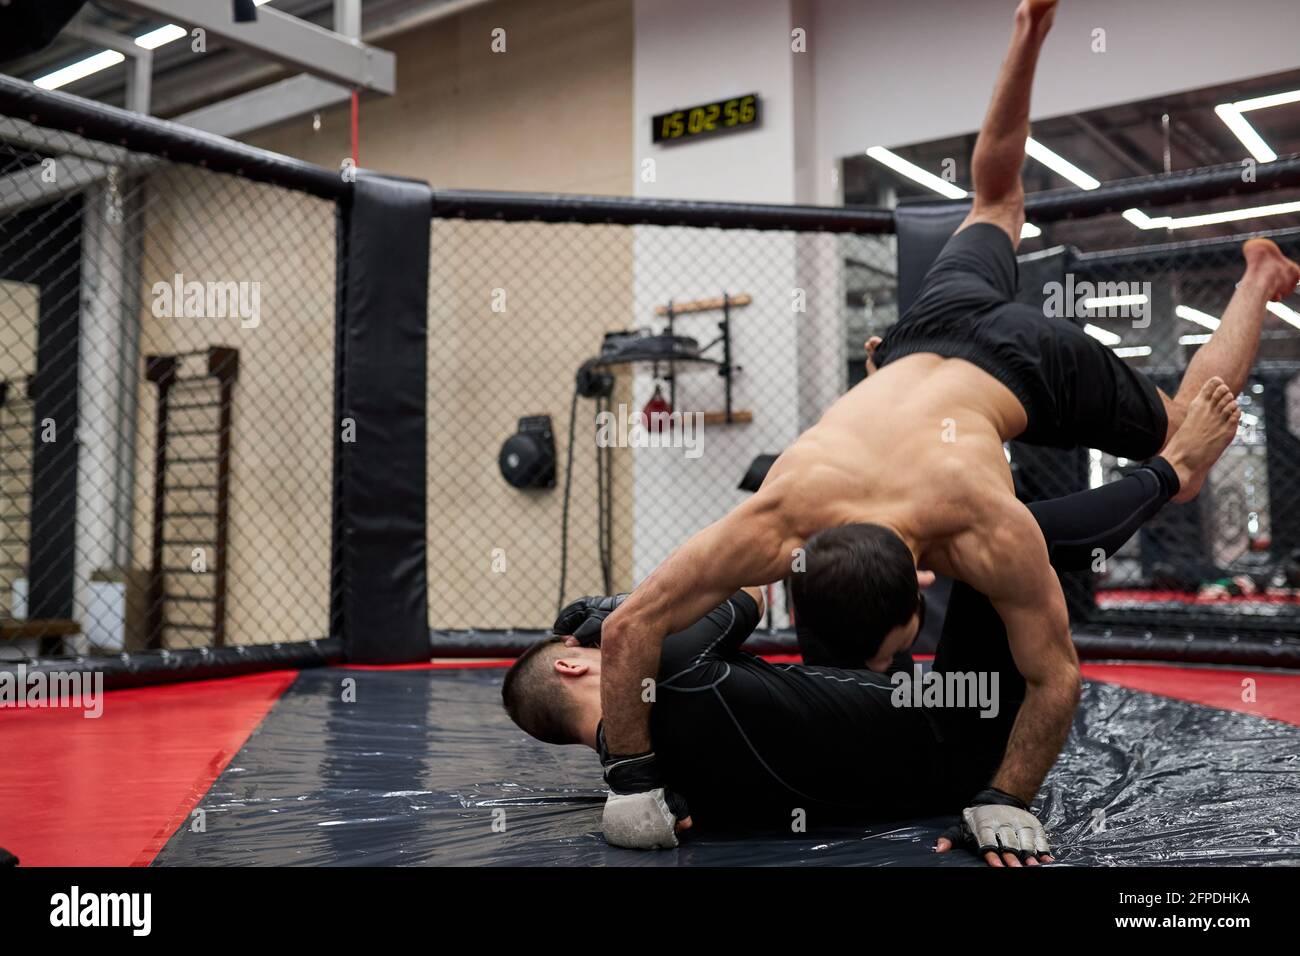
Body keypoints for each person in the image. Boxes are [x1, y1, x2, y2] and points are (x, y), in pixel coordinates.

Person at [587, 0, 1300, 853]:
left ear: (924, 587)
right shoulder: (787, 509)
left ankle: (1259, 275)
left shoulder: (962, 527)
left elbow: (1058, 678)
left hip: (1029, 366)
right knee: (996, 198)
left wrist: (1009, 795)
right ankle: (1025, 31)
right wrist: (626, 777)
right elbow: (626, 627)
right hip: (923, 338)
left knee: (1184, 449)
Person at [503, 386, 1241, 864]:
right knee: (1008, 537)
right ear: (575, 665)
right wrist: (612, 613)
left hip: (882, 754)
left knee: (837, 584)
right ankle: (1169, 473)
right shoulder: (664, 669)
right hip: (955, 734)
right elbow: (747, 595)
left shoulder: (662, 794)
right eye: (588, 649)